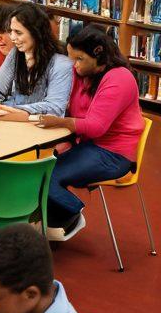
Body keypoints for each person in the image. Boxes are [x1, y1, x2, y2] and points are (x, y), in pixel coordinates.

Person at [36, 23, 143, 241]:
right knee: (35, 170)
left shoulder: (119, 78)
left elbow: (95, 126)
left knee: (46, 177)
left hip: (113, 154)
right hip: (88, 145)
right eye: (70, 58)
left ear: (98, 57)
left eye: (79, 59)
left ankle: (73, 213)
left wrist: (60, 121)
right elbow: (68, 104)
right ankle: (53, 223)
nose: (73, 65)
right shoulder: (82, 73)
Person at [0, 2, 72, 120]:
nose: (12, 38)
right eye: (11, 31)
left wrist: (17, 111)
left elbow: (55, 108)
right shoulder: (16, 54)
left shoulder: (61, 64)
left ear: (35, 32)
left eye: (18, 32)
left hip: (41, 128)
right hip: (13, 121)